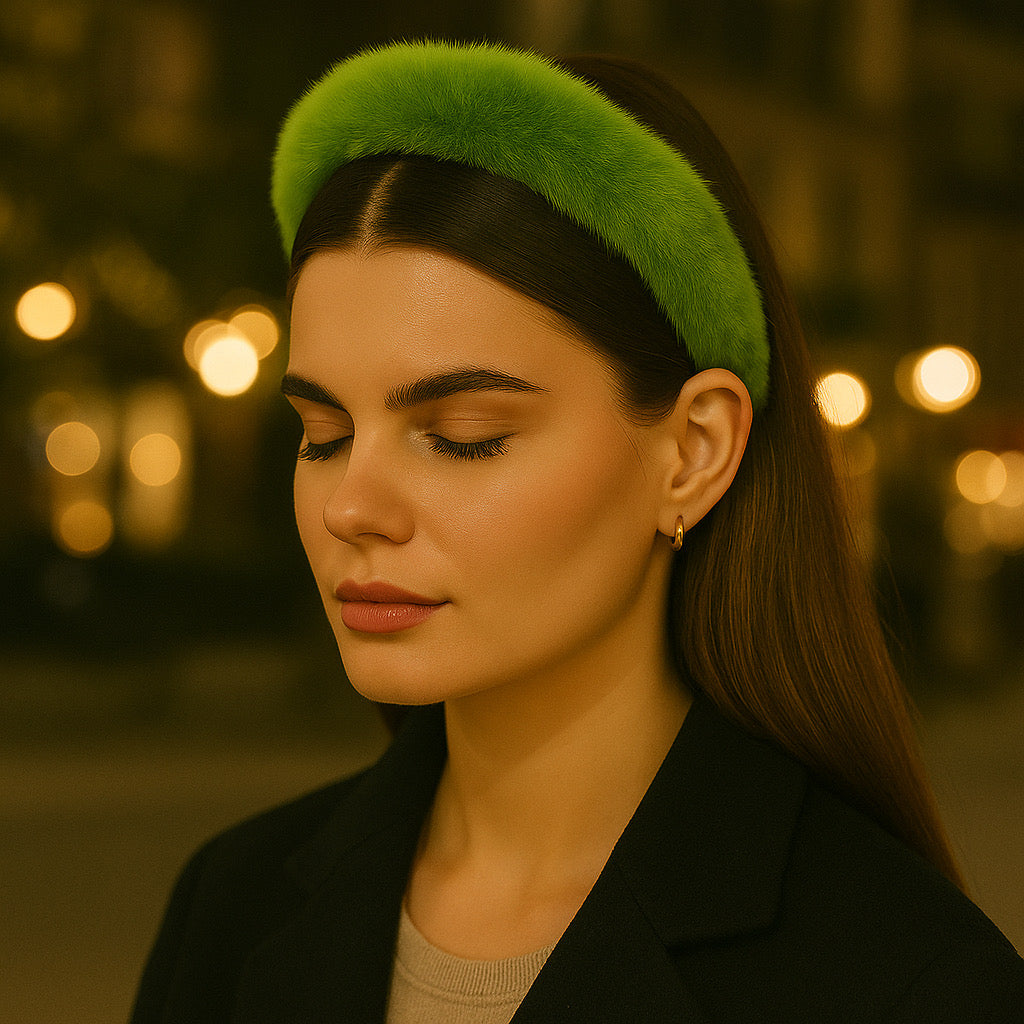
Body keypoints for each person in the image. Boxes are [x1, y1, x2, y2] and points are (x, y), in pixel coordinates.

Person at [130, 40, 1024, 1023]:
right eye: (323, 435)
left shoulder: (903, 982)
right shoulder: (233, 905)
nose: (352, 506)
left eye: (462, 437)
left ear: (692, 450)